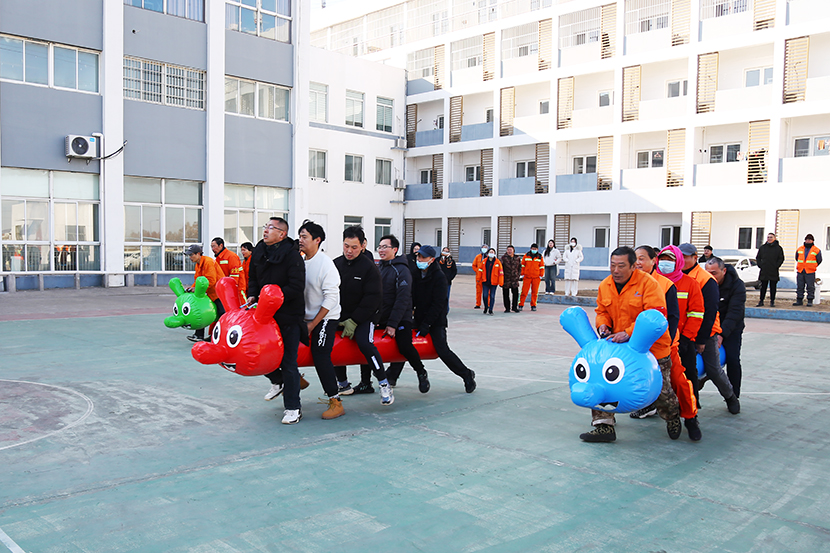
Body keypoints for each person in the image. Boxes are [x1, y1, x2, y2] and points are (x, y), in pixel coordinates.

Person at [581, 246, 681, 443]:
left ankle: (672, 417)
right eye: (612, 265)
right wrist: (603, 326)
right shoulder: (605, 285)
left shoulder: (649, 285)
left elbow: (655, 315)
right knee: (602, 381)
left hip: (651, 349)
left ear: (634, 266)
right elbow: (601, 311)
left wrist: (627, 333)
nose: (616, 270)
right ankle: (604, 425)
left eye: (621, 266)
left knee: (661, 390)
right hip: (619, 348)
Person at [631, 246, 701, 441]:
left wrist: (676, 341)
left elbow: (674, 317)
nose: (638, 263)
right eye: (635, 258)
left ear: (653, 260)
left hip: (665, 345)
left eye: (642, 258)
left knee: (678, 381)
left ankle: (690, 417)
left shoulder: (666, 284)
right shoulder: (629, 283)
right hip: (635, 345)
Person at [247, 217, 306, 425]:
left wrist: (275, 298)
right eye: (265, 226)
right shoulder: (259, 250)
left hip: (288, 315)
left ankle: (293, 408)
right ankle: (277, 380)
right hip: (264, 315)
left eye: (271, 228)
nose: (265, 230)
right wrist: (252, 295)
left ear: (282, 234)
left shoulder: (292, 255)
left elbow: (297, 286)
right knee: (256, 353)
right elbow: (253, 278)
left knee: (288, 362)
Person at [332, 226, 394, 405]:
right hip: (340, 315)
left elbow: (373, 298)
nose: (349, 251)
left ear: (362, 246)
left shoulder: (369, 268)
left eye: (354, 247)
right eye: (346, 246)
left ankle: (383, 383)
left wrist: (354, 321)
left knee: (365, 343)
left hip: (365, 316)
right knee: (331, 343)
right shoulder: (335, 265)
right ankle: (343, 383)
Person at [679, 243, 739, 414]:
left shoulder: (705, 279)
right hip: (683, 333)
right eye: (680, 257)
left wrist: (702, 339)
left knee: (713, 370)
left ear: (695, 258)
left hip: (706, 332)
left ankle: (731, 397)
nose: (682, 260)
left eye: (686, 257)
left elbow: (710, 312)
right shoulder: (676, 277)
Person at [411, 245, 477, 393]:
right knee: (405, 343)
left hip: (436, 320)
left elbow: (438, 304)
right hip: (420, 317)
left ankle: (466, 375)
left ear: (431, 259)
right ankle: (392, 375)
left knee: (442, 350)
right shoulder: (415, 273)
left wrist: (427, 324)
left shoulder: (439, 277)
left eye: (423, 257)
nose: (419, 259)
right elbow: (412, 296)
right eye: (418, 256)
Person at [655, 245, 704, 440]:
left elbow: (696, 313)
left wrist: (686, 337)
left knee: (683, 380)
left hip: (680, 341)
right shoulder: (650, 283)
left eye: (670, 260)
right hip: (655, 342)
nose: (665, 264)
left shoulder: (690, 283)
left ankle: (691, 418)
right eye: (663, 259)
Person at [297, 220, 344, 420]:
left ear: (317, 240)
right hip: (304, 316)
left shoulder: (326, 264)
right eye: (299, 236)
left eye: (304, 237)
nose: (300, 240)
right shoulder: (299, 261)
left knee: (320, 353)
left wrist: (312, 325)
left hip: (326, 316)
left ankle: (336, 401)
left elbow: (331, 299)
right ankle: (293, 378)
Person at [378, 234, 431, 393]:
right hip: (382, 316)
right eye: (380, 247)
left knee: (404, 345)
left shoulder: (402, 270)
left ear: (394, 249)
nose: (381, 250)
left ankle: (421, 372)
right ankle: (367, 381)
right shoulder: (379, 268)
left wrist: (392, 324)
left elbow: (402, 299)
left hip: (400, 318)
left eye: (385, 247)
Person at [705, 257, 746, 399]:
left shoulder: (737, 285)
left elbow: (735, 313)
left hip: (731, 328)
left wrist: (721, 334)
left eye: (714, 273)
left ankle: (734, 395)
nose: (711, 276)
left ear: (724, 271)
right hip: (710, 327)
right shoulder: (704, 283)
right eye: (707, 272)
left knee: (733, 359)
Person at [185, 244, 225, 342]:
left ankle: (221, 336)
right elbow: (198, 279)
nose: (190, 257)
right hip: (211, 293)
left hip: (219, 293)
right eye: (189, 255)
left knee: (222, 314)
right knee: (201, 311)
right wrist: (192, 287)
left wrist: (197, 289)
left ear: (198, 254)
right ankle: (199, 335)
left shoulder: (208, 262)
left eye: (191, 255)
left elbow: (211, 280)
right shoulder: (198, 265)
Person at [755, 233, 784, 307]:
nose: (769, 239)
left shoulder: (778, 248)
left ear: (774, 238)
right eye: (768, 237)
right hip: (764, 271)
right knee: (763, 287)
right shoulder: (763, 247)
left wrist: (776, 266)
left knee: (773, 287)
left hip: (773, 271)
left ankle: (772, 301)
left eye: (771, 237)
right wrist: (760, 265)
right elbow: (758, 258)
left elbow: (781, 258)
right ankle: (761, 301)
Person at [793, 234, 823, 307]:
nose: (808, 241)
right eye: (806, 239)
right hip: (800, 271)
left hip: (810, 271)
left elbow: (819, 260)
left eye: (809, 240)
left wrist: (812, 266)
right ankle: (799, 300)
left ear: (812, 241)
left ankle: (810, 301)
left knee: (810, 287)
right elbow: (797, 258)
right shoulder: (799, 249)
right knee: (800, 286)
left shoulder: (816, 250)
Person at [518, 243, 544, 312]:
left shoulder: (539, 257)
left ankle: (533, 305)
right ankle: (520, 304)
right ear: (530, 249)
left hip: (536, 277)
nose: (534, 250)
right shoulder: (526, 256)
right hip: (527, 276)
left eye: (535, 249)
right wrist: (522, 274)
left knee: (535, 292)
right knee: (524, 292)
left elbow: (542, 266)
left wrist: (541, 275)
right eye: (533, 249)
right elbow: (522, 265)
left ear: (537, 249)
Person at [480, 247, 503, 315]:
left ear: (495, 254)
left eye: (492, 252)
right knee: (485, 295)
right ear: (488, 253)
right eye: (490, 252)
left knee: (492, 296)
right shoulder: (484, 261)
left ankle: (490, 309)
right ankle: (486, 307)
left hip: (494, 282)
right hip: (485, 281)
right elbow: (480, 270)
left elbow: (501, 273)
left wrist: (501, 282)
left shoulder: (498, 262)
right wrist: (479, 278)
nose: (491, 253)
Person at [500, 245, 522, 313]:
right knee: (506, 294)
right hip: (506, 279)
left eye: (510, 250)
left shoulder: (517, 258)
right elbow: (500, 268)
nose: (509, 251)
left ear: (513, 251)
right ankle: (507, 308)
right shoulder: (503, 258)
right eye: (508, 250)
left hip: (514, 279)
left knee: (515, 294)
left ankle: (514, 307)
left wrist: (518, 276)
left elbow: (520, 267)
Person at [438, 247, 457, 312]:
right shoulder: (438, 260)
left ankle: (445, 309)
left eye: (447, 251)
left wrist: (449, 278)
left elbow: (454, 271)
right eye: (444, 251)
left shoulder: (451, 261)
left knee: (446, 296)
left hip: (447, 282)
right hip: (438, 282)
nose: (445, 252)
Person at [471, 244, 488, 309]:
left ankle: (488, 304)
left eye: (485, 248)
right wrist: (477, 271)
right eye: (483, 248)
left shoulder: (489, 257)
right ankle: (478, 304)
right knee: (478, 291)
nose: (484, 249)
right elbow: (474, 265)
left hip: (487, 277)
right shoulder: (478, 257)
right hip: (479, 277)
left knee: (488, 292)